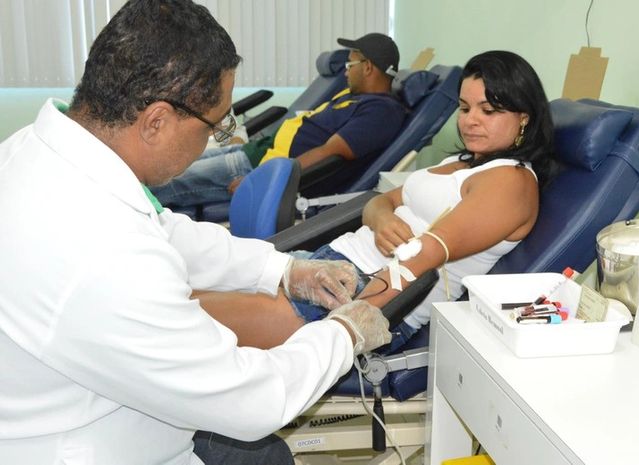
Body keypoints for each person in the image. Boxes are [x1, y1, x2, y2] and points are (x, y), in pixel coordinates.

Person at [0, 1, 392, 464]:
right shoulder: (103, 257)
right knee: (262, 450)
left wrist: (283, 268)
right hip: (95, 445)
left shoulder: (35, 151)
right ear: (157, 121)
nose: (216, 136)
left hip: (96, 402)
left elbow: (164, 230)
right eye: (216, 124)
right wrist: (344, 334)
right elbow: (253, 401)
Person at [194, 50, 557, 351]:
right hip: (329, 269)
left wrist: (345, 327)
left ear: (523, 117)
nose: (471, 121)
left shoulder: (511, 181)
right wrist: (381, 219)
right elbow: (377, 202)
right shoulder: (460, 163)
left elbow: (423, 257)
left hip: (367, 295)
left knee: (182, 321)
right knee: (175, 291)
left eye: (488, 111)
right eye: (465, 109)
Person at [149, 32, 407, 206]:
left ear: (369, 67)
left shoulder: (381, 112)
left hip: (257, 169)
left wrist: (264, 179)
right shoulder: (354, 95)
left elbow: (330, 152)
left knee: (167, 180)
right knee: (165, 163)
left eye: (350, 66)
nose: (345, 71)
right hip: (257, 154)